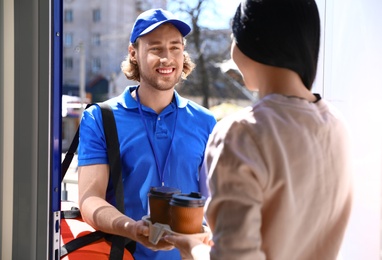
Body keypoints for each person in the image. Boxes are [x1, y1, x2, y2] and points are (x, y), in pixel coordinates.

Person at [165, 0, 353, 259]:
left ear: (251, 41)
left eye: (233, 35)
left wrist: (193, 247)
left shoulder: (239, 134)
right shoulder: (336, 125)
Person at [77, 8, 216, 260]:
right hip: (123, 255)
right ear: (134, 53)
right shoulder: (99, 118)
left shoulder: (205, 121)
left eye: (175, 48)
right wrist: (131, 229)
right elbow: (89, 200)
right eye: (155, 49)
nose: (167, 58)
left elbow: (214, 203)